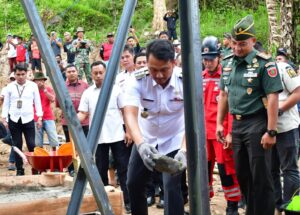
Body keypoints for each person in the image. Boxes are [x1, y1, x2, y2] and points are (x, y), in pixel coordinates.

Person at [216, 15, 283, 215]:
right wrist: (220, 124)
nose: (237, 48)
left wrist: (271, 131)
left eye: (242, 44)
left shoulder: (265, 64)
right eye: (235, 43)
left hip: (257, 124)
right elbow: (224, 94)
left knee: (261, 177)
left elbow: (272, 98)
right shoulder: (227, 63)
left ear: (253, 41)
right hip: (236, 126)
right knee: (243, 175)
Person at [124, 39, 187, 215]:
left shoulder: (185, 81)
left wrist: (184, 150)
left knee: (171, 186)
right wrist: (141, 144)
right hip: (146, 137)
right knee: (133, 182)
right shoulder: (138, 79)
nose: (158, 75)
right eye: (153, 69)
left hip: (175, 139)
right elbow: (130, 113)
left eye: (164, 70)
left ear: (173, 64)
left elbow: (193, 120)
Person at [78, 61, 132, 214]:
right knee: (100, 170)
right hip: (98, 138)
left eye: (101, 72)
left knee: (123, 169)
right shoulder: (88, 92)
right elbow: (83, 113)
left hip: (117, 135)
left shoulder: (116, 90)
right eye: (95, 73)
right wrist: (73, 118)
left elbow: (124, 110)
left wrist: (128, 130)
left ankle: (127, 201)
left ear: (106, 72)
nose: (98, 75)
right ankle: (103, 202)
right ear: (91, 74)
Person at [202, 36, 241, 215]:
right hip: (203, 133)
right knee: (203, 169)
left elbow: (232, 108)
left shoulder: (225, 77)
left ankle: (232, 204)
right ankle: (203, 201)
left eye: (211, 59)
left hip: (220, 132)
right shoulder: (200, 78)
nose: (207, 63)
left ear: (219, 57)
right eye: (205, 59)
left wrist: (230, 132)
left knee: (226, 169)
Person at [1, 63, 43, 176]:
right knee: (17, 145)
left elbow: (37, 102)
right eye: (18, 74)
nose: (20, 77)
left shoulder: (33, 86)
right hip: (14, 119)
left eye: (22, 74)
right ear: (14, 74)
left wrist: (39, 117)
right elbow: (6, 104)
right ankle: (20, 169)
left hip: (28, 118)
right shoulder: (9, 87)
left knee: (31, 144)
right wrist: (4, 118)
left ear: (27, 74)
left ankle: (35, 168)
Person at [271, 62, 300, 213]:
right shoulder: (253, 70)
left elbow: (297, 92)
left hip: (286, 127)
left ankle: (292, 208)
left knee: (290, 169)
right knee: (270, 170)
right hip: (265, 129)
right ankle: (277, 206)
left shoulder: (283, 68)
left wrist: (279, 110)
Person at [56, 64, 89, 176]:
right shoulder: (62, 86)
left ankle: (85, 167)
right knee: (70, 145)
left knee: (85, 144)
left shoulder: (85, 85)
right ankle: (71, 169)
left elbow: (89, 101)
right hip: (68, 122)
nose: (71, 73)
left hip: (84, 121)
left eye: (73, 71)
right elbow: (58, 103)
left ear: (77, 72)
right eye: (69, 72)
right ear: (66, 74)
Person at [33, 72, 59, 150]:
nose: (40, 82)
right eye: (38, 80)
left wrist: (45, 91)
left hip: (48, 117)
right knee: (38, 142)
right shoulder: (32, 90)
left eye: (42, 80)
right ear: (34, 82)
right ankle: (41, 157)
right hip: (36, 118)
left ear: (44, 81)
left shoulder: (48, 89)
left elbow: (53, 99)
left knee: (53, 139)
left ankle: (54, 156)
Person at [0, 72, 17, 171]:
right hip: (7, 117)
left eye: (13, 79)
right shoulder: (6, 89)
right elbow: (2, 102)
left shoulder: (24, 88)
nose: (13, 81)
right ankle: (17, 147)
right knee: (7, 138)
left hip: (17, 118)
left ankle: (11, 162)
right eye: (11, 79)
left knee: (14, 139)